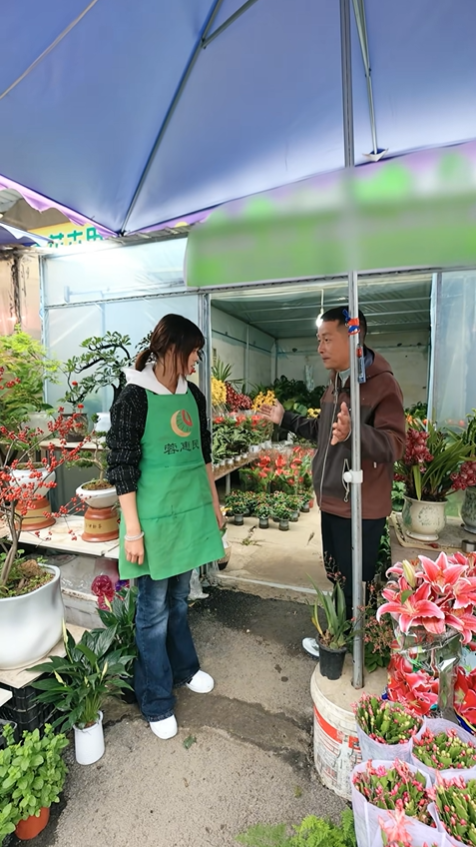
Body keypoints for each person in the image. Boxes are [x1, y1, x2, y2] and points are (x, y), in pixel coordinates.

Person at [260, 306, 405, 657]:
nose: (320, 347)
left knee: (355, 582)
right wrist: (285, 418)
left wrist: (357, 433)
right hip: (333, 500)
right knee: (338, 576)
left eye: (327, 339)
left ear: (353, 339)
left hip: (360, 506)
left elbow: (395, 444)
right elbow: (322, 431)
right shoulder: (337, 382)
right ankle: (339, 640)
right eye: (319, 339)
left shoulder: (381, 385)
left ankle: (354, 651)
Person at [106, 314, 225, 739]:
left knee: (179, 598)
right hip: (152, 523)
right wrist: (133, 531)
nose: (197, 361)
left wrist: (214, 504)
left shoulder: (192, 395)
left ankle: (184, 669)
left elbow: (203, 454)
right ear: (174, 349)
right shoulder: (134, 397)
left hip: (188, 516)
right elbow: (121, 467)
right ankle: (155, 700)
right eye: (194, 352)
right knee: (152, 610)